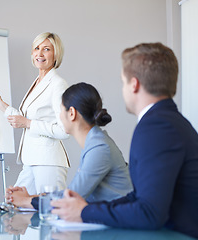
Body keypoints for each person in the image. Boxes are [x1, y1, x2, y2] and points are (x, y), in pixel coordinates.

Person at [51, 43, 198, 238]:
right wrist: (85, 208)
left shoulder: (157, 127)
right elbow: (139, 198)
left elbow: (149, 213)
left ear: (134, 84)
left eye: (123, 82)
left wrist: (84, 212)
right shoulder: (169, 121)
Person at [6, 83, 133, 209]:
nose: (60, 116)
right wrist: (30, 197)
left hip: (121, 222)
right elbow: (71, 191)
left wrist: (25, 201)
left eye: (61, 110)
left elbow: (71, 197)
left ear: (72, 113)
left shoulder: (99, 148)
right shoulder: (95, 142)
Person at [0, 32, 70, 195]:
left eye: (46, 49)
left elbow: (64, 130)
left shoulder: (58, 85)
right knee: (16, 204)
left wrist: (27, 123)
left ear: (56, 54)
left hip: (48, 161)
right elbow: (25, 118)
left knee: (50, 211)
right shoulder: (37, 83)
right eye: (36, 48)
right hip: (32, 160)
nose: (39, 53)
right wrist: (2, 105)